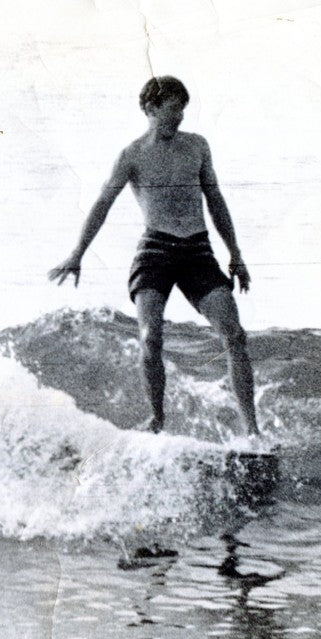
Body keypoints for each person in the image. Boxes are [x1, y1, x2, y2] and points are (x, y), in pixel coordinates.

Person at [48, 76, 259, 436]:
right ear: (151, 109)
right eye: (173, 108)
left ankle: (252, 430)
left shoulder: (197, 147)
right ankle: (157, 420)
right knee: (151, 337)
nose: (179, 116)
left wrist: (235, 254)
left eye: (183, 108)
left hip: (197, 251)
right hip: (155, 252)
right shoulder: (132, 156)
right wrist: (77, 253)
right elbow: (102, 204)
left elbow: (216, 201)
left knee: (234, 335)